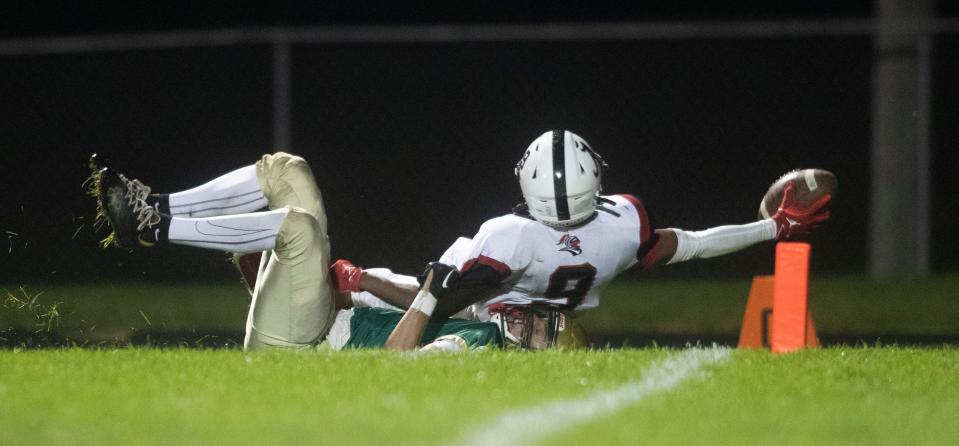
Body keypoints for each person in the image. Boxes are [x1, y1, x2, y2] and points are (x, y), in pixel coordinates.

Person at [324, 130, 832, 348]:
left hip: (471, 309)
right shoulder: (622, 224)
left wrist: (363, 277)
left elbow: (433, 300)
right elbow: (693, 243)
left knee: (354, 301)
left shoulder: (511, 236)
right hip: (545, 334)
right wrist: (772, 227)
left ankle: (333, 286)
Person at [86, 152, 502, 352]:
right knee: (288, 170)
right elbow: (371, 294)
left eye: (552, 329)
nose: (540, 324)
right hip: (317, 324)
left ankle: (155, 230)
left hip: (305, 352)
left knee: (298, 229)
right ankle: (157, 207)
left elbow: (394, 362)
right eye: (547, 318)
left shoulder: (483, 345)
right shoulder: (483, 306)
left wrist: (428, 294)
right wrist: (358, 281)